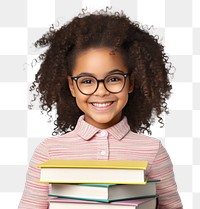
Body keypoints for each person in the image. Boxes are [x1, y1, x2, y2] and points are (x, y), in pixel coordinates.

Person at [18, 9, 183, 209]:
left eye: (113, 79)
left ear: (130, 83)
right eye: (87, 81)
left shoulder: (153, 151)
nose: (101, 91)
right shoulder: (48, 152)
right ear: (72, 87)